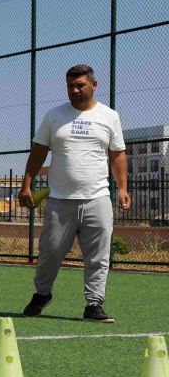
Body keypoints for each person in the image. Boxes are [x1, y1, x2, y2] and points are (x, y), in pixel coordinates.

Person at [19, 65, 130, 323]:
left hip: (98, 198)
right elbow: (38, 152)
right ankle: (42, 294)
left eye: (80, 85)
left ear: (94, 85)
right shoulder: (54, 116)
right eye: (71, 86)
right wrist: (27, 184)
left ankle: (94, 305)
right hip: (59, 200)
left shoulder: (110, 116)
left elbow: (118, 155)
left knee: (99, 256)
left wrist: (122, 188)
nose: (75, 90)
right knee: (50, 252)